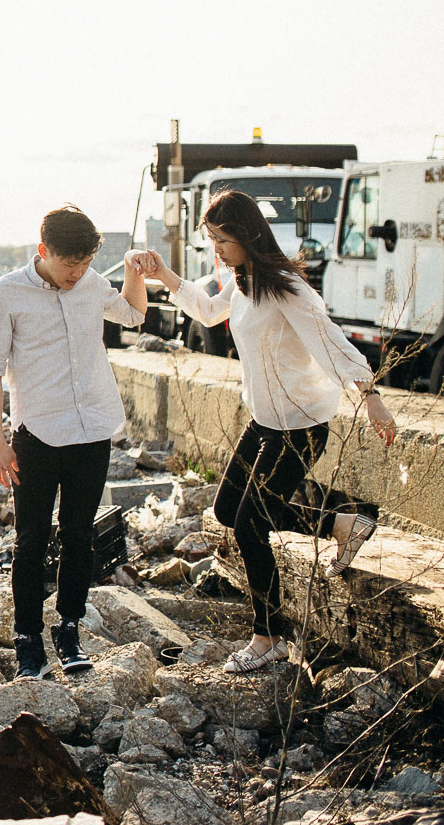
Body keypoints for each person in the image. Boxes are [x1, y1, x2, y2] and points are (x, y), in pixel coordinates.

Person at [134, 189, 398, 674]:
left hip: (299, 425)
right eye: (211, 239)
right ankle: (344, 523)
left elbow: (332, 342)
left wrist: (373, 399)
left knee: (253, 524)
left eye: (221, 239)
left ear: (248, 234)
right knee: (228, 509)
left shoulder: (285, 286)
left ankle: (270, 636)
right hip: (265, 423)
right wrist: (164, 276)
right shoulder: (243, 280)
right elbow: (210, 311)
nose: (216, 248)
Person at [0, 204, 148, 679]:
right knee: (30, 540)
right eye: (68, 264)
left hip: (93, 428)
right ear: (43, 251)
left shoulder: (92, 283)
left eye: (85, 263)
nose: (77, 274)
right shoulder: (5, 293)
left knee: (80, 536)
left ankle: (68, 630)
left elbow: (134, 315)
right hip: (37, 433)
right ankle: (27, 639)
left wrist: (135, 268)